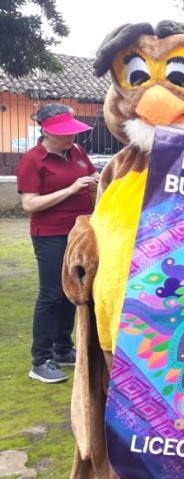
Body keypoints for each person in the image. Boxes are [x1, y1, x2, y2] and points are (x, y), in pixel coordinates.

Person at [16, 104, 97, 383]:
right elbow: (29, 204)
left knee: (72, 292)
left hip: (80, 232)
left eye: (73, 132)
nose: (71, 138)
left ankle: (63, 349)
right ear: (47, 130)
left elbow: (92, 176)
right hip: (50, 234)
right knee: (51, 294)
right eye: (65, 133)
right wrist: (72, 189)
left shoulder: (76, 152)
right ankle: (41, 360)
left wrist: (96, 183)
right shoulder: (33, 161)